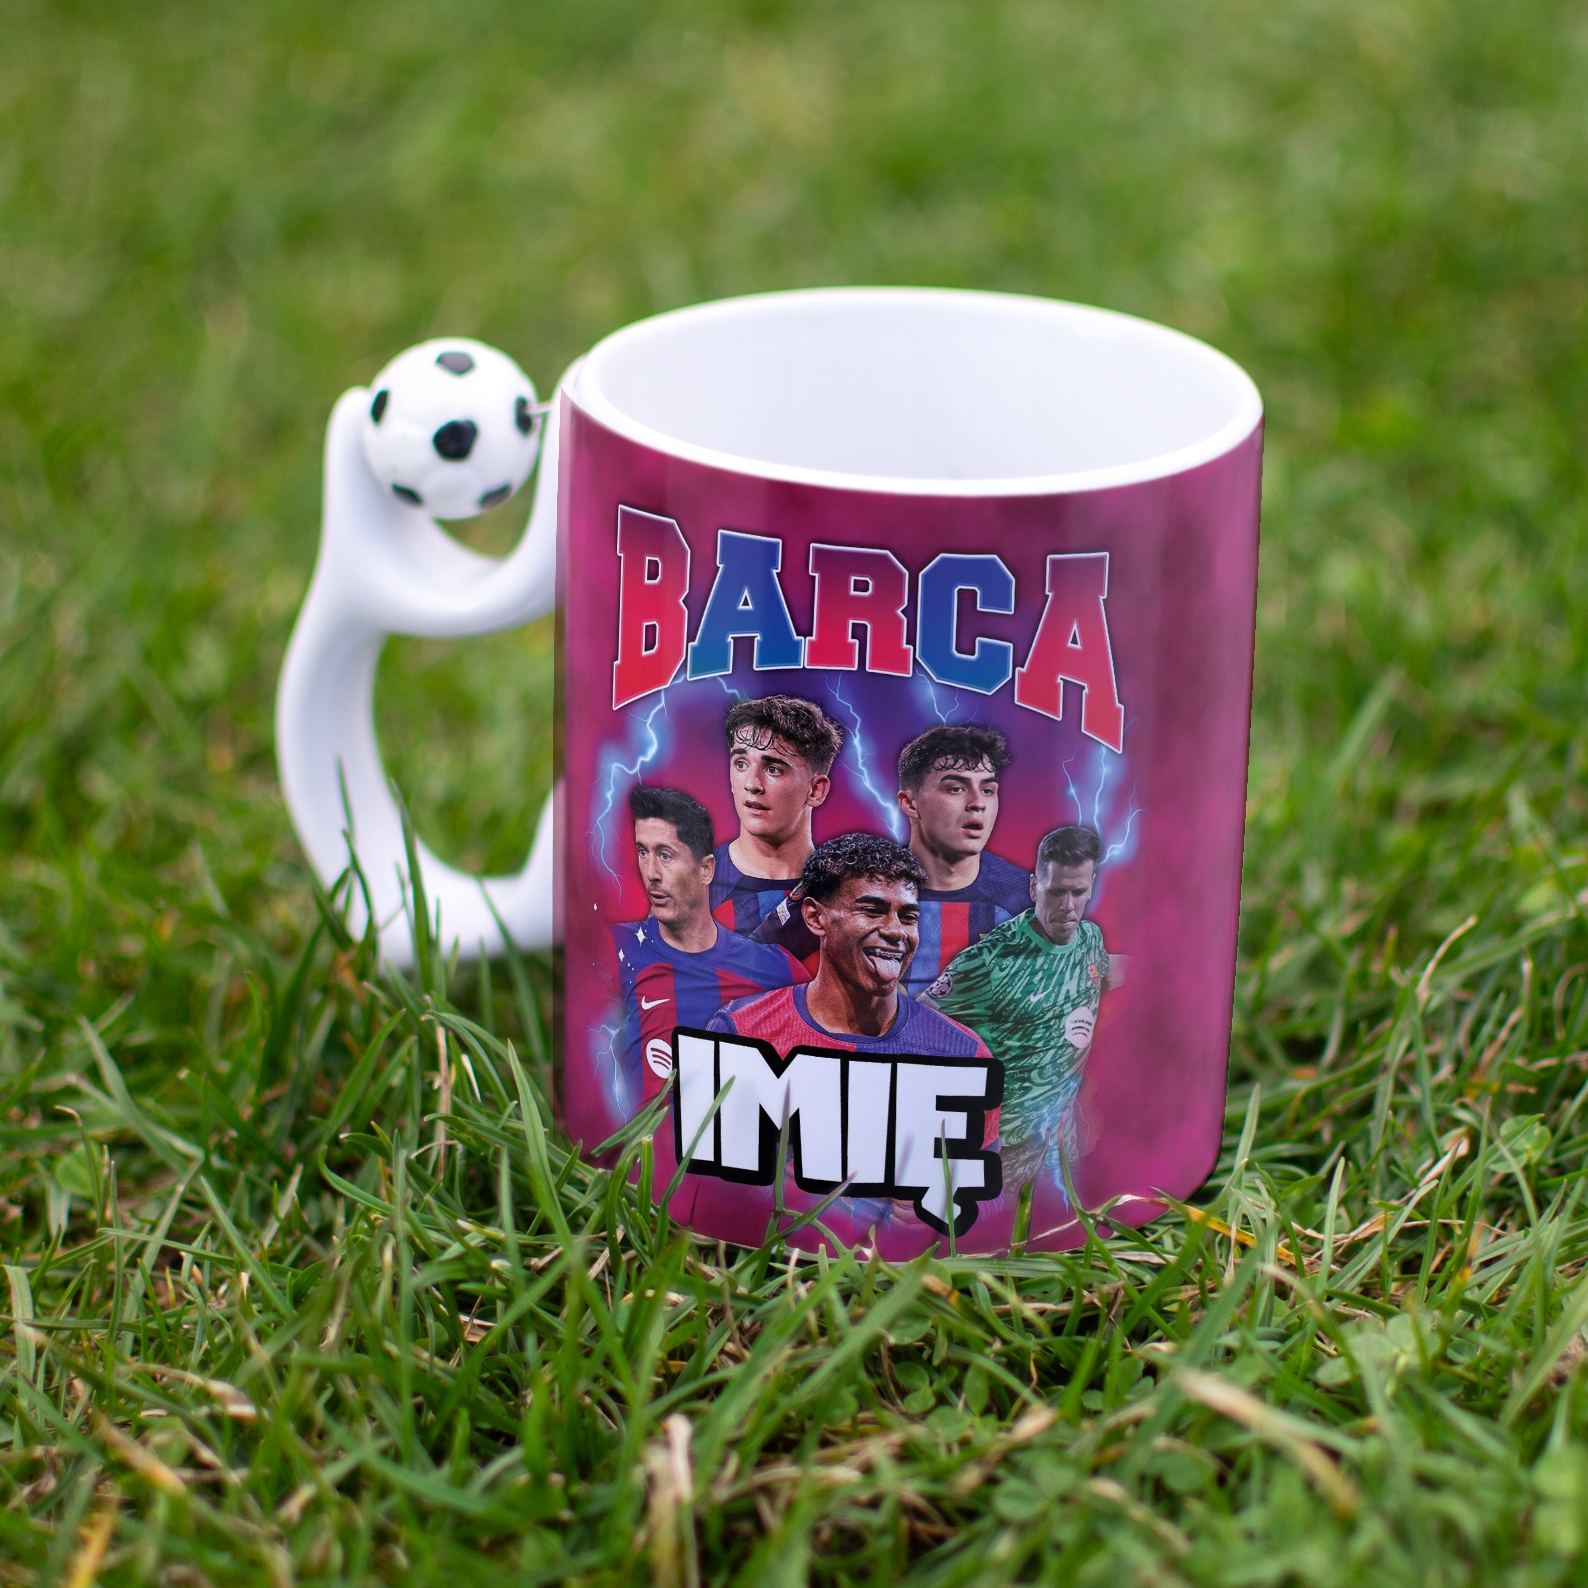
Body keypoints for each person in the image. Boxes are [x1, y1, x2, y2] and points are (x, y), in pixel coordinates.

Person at [709, 833, 997, 1249]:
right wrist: (770, 1191)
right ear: (815, 917)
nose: (895, 931)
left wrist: (947, 1209)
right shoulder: (742, 1031)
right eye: (872, 910)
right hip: (777, 1280)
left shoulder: (963, 1054)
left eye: (908, 916)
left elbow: (994, 1192)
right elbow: (700, 1183)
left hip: (906, 1283)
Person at [921, 824, 1114, 1194]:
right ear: (1034, 888)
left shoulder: (1090, 939)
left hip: (1060, 1150)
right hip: (1002, 1159)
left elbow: (1102, 972)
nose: (1067, 906)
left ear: (1091, 886)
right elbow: (915, 1025)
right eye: (1056, 891)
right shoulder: (990, 961)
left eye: (1078, 892)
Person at [599, 786, 807, 1118]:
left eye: (665, 855)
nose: (651, 873)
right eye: (642, 852)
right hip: (647, 1148)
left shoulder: (777, 969)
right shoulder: (613, 947)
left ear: (706, 870)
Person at [893, 724, 1031, 999]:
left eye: (988, 790)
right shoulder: (862, 888)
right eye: (956, 789)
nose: (978, 803)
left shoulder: (1027, 898)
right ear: (910, 803)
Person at [708, 695, 846, 939]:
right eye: (741, 764)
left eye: (773, 769)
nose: (751, 784)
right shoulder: (689, 884)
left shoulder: (847, 894)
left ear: (816, 790)